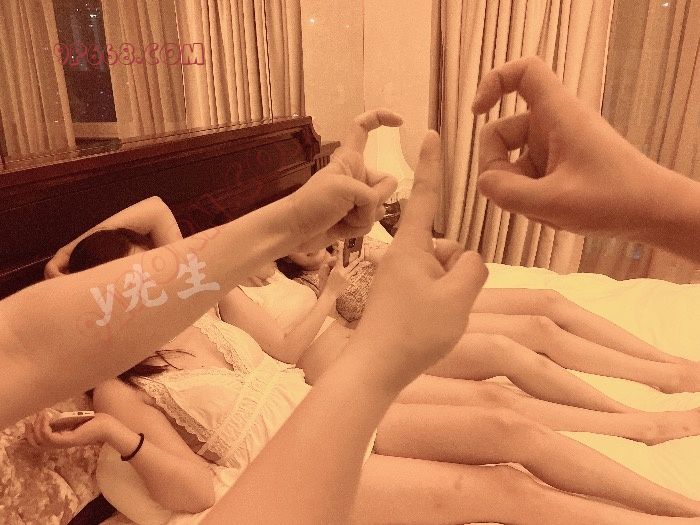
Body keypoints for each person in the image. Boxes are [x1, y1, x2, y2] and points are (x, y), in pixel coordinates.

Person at [27, 202, 700, 522]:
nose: (155, 289)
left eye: (152, 275)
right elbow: (194, 492)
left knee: (506, 421)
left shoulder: (197, 304)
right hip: (291, 457)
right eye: (131, 289)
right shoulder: (118, 387)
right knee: (499, 489)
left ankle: (676, 496)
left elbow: (157, 215)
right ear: (104, 310)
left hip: (325, 404)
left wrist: (65, 261)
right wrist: (117, 435)